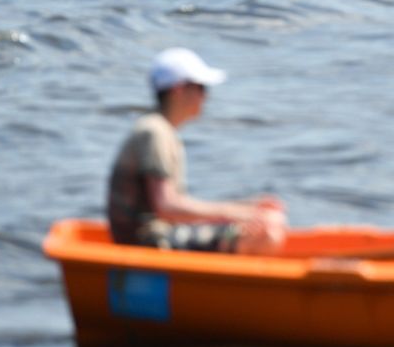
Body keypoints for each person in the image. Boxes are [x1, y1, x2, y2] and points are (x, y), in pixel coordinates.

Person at [106, 48, 287, 253]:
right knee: (265, 233)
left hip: (159, 233)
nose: (206, 96)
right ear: (178, 90)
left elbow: (170, 206)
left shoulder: (160, 130)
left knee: (269, 218)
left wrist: (248, 207)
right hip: (150, 242)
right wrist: (235, 213)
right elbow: (166, 207)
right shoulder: (154, 132)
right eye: (201, 88)